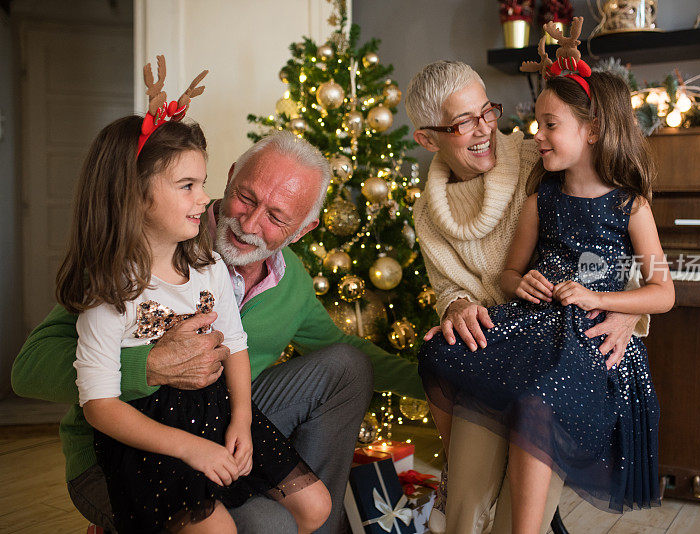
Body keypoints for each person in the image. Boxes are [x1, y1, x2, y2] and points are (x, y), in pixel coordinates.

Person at [13, 130, 425, 532]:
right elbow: (28, 370)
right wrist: (149, 366)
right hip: (127, 444)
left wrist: (440, 384)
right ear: (229, 178)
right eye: (246, 197)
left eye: (277, 217)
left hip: (219, 417)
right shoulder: (136, 255)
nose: (249, 222)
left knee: (347, 368)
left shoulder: (285, 279)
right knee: (268, 525)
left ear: (303, 230)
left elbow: (336, 346)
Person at [416, 55, 675, 534]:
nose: (486, 128)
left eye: (486, 113)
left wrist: (616, 309)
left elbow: (659, 287)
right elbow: (488, 277)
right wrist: (469, 300)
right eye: (463, 122)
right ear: (428, 138)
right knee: (443, 356)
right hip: (520, 330)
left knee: (540, 403)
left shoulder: (606, 191)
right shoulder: (541, 193)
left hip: (580, 345)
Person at [57, 112, 331, 533]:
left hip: (219, 409)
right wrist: (193, 450)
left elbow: (234, 344)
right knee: (218, 529)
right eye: (188, 186)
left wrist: (241, 417)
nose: (206, 200)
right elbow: (100, 407)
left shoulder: (209, 265)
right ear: (135, 193)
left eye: (202, 184)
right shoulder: (111, 290)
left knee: (315, 506)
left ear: (301, 229)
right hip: (152, 435)